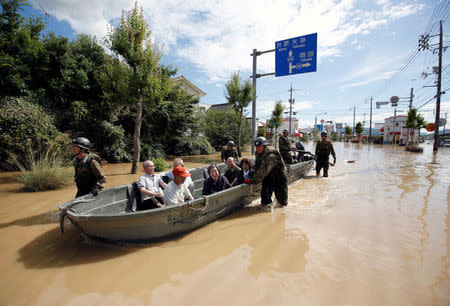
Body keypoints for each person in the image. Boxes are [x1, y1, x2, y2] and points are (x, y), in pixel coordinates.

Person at [252, 136, 288, 206]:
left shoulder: (271, 155)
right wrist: (253, 175)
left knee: (282, 202)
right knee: (265, 197)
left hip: (279, 177)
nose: (257, 148)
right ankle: (266, 211)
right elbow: (257, 165)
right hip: (268, 176)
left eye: (259, 146)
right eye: (256, 147)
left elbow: (264, 170)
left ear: (264, 146)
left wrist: (254, 180)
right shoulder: (258, 153)